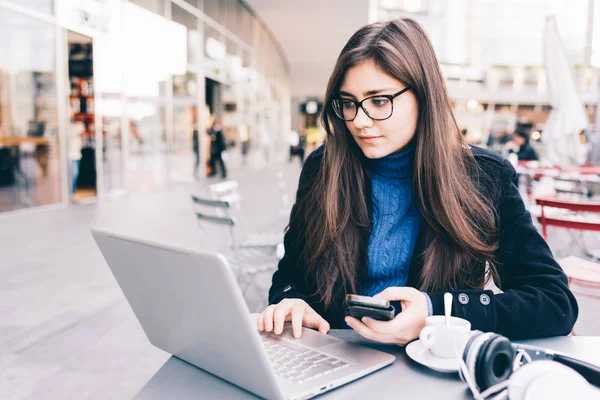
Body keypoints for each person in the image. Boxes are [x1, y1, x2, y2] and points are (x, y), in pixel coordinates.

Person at [257, 18, 577, 343]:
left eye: (379, 101)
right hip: (330, 364)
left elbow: (554, 302)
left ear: (423, 96)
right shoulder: (323, 168)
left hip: (429, 371)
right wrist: (290, 299)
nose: (360, 121)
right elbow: (291, 273)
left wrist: (435, 312)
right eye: (348, 103)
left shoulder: (482, 177)